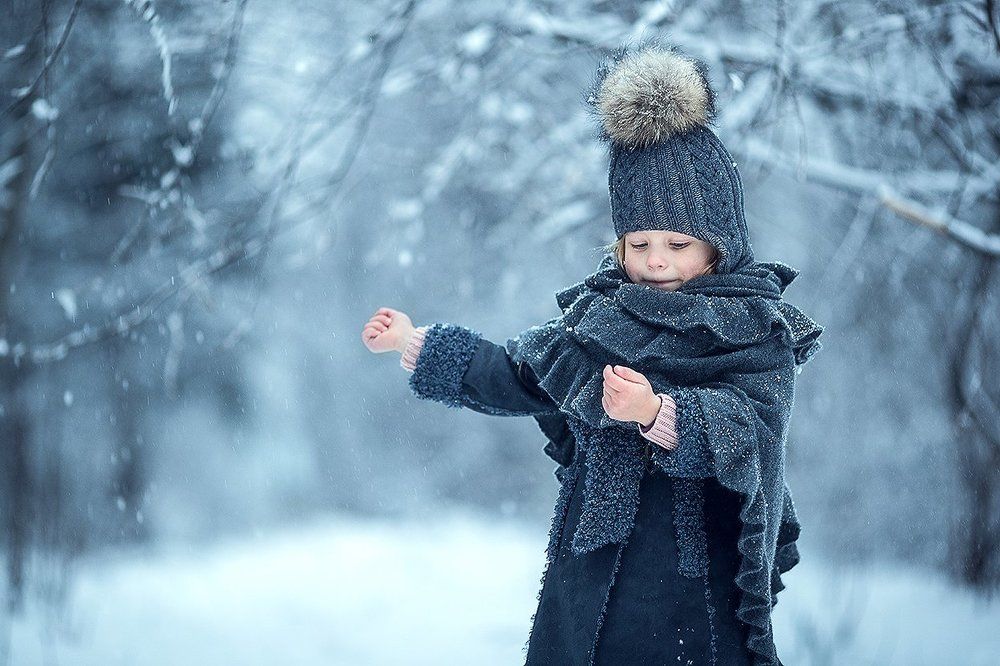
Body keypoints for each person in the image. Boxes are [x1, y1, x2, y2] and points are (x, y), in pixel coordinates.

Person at [361, 42, 824, 666]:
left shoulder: (750, 328)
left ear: (717, 246)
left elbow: (757, 431)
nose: (656, 260)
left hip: (694, 594)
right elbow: (513, 373)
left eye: (678, 243)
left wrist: (660, 412)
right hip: (594, 582)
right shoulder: (599, 323)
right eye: (640, 242)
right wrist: (415, 343)